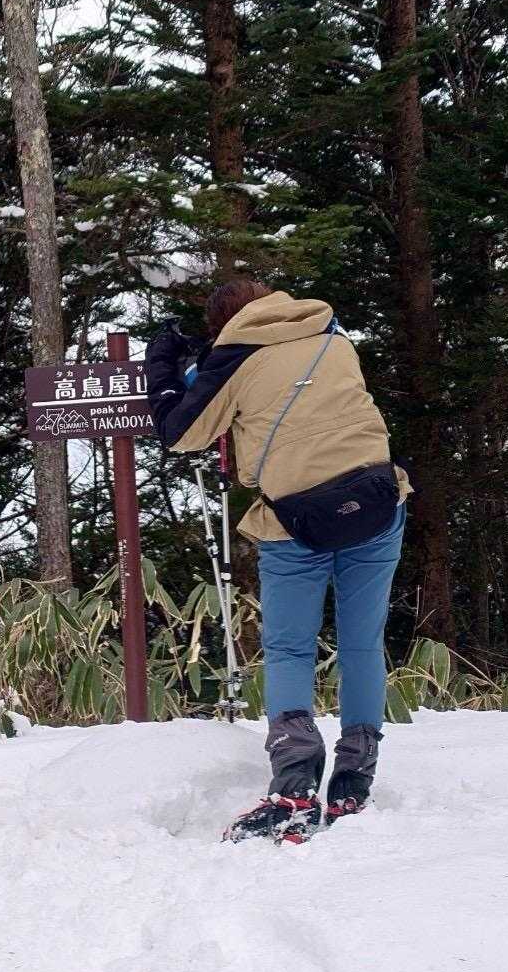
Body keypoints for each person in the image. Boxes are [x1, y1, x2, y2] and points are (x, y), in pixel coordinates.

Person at [145, 277, 411, 844]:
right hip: (377, 502)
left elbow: (180, 432)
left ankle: (294, 787)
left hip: (297, 521)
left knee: (290, 648)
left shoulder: (233, 359)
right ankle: (354, 782)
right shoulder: (332, 335)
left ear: (223, 326)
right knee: (362, 645)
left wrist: (162, 364)